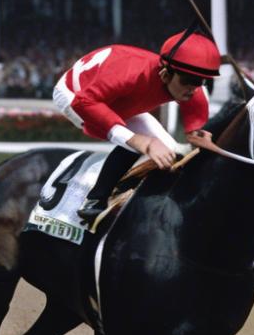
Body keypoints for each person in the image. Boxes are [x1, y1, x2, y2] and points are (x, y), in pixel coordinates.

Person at [52, 28, 221, 222]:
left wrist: (198, 136)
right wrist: (140, 141)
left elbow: (195, 131)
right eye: (188, 81)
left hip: (119, 102)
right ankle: (94, 201)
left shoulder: (187, 86)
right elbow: (83, 103)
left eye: (199, 82)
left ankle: (139, 197)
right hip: (76, 96)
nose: (193, 89)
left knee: (172, 155)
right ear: (165, 74)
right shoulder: (130, 72)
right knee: (136, 144)